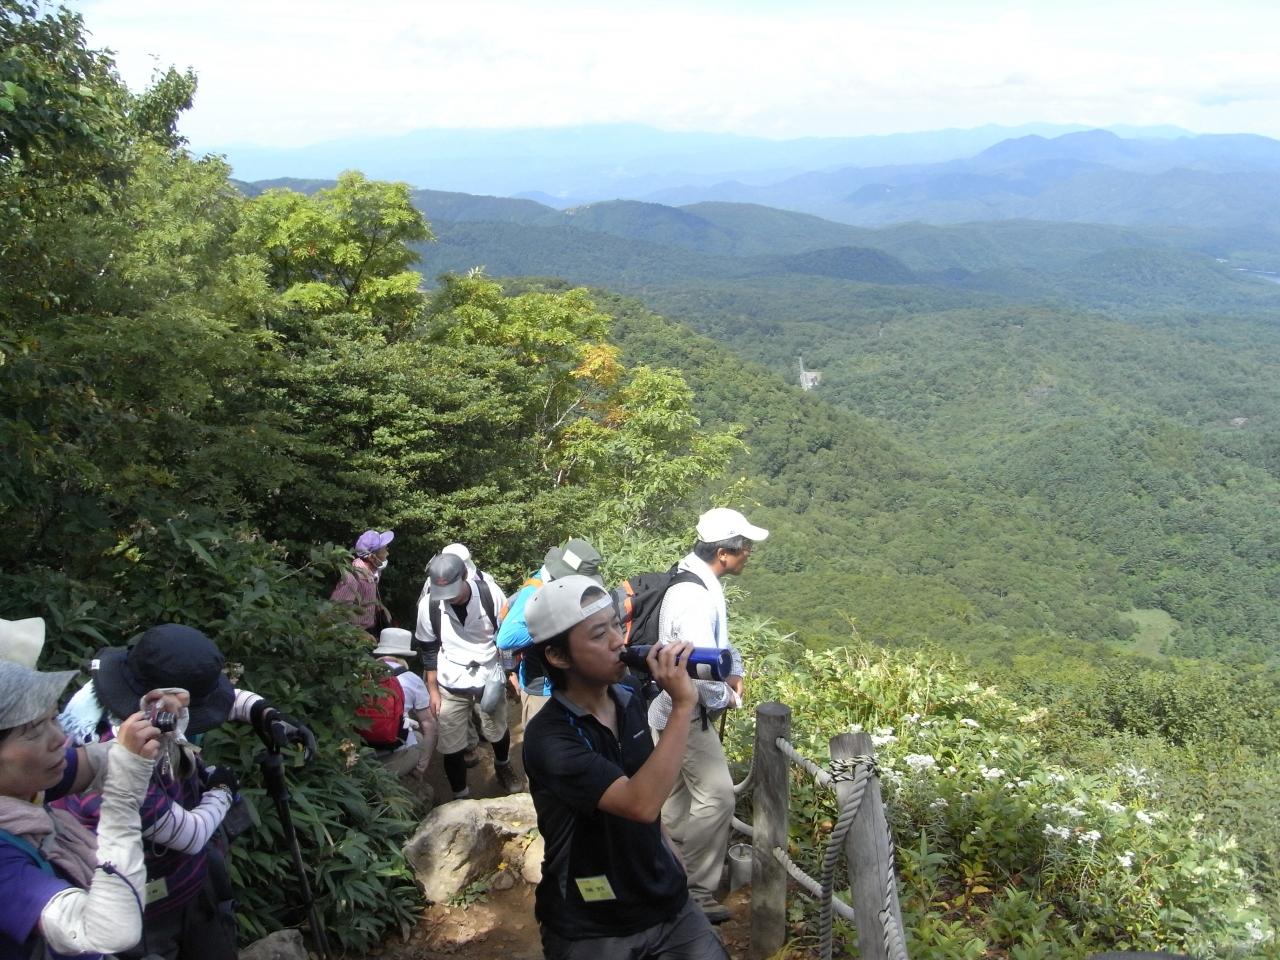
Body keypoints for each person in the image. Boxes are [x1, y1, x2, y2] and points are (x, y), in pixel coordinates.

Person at [57, 624, 316, 960]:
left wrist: (266, 714)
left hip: (186, 882)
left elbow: (221, 700)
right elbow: (188, 835)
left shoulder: (129, 702)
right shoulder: (111, 756)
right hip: (143, 907)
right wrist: (221, 790)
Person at [522, 576, 729, 960]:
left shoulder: (628, 694)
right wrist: (683, 705)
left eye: (617, 625)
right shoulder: (549, 738)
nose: (619, 641)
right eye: (599, 634)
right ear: (558, 656)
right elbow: (639, 803)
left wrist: (666, 845)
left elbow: (640, 774)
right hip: (592, 924)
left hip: (665, 899)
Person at [1, 658, 170, 960]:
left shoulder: (23, 785)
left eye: (54, 718)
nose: (59, 739)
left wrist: (154, 722)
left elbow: (96, 761)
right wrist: (123, 798)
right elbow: (109, 932)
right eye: (34, 731)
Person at [650, 507, 768, 924]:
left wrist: (735, 668)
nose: (749, 552)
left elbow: (718, 644)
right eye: (745, 547)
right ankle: (695, 892)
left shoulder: (696, 577)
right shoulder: (695, 597)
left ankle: (667, 873)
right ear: (723, 553)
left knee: (679, 799)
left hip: (674, 711)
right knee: (717, 796)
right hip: (685, 713)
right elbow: (698, 671)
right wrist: (729, 696)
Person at [415, 551, 520, 798]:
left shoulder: (490, 594)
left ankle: (503, 766)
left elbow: (505, 636)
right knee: (451, 746)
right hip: (450, 680)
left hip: (488, 675)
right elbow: (429, 649)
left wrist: (510, 672)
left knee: (497, 729)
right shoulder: (429, 605)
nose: (448, 598)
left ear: (464, 576)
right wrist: (432, 690)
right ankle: (460, 796)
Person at [496, 537, 604, 727]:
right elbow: (506, 639)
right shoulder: (535, 591)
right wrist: (557, 621)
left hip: (564, 682)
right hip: (541, 689)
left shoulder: (557, 586)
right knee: (545, 740)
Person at [370, 628, 436, 793]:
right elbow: (428, 723)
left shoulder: (361, 674)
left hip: (361, 756)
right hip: (393, 757)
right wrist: (422, 765)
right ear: (405, 656)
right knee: (418, 737)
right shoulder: (412, 679)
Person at [331, 529, 394, 637]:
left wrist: (380, 606)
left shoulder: (372, 573)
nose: (388, 553)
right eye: (384, 549)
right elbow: (336, 613)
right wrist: (360, 635)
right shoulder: (352, 578)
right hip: (354, 637)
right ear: (372, 556)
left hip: (369, 631)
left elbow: (366, 596)